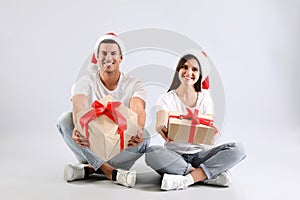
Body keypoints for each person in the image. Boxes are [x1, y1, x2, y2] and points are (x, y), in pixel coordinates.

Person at [56, 32, 149, 188]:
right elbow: (79, 105)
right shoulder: (85, 82)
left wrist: (138, 129)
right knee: (64, 119)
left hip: (119, 152)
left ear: (121, 57)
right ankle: (110, 172)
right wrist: (79, 128)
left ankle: (90, 169)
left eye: (113, 53)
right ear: (97, 57)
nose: (108, 58)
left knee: (145, 136)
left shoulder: (134, 84)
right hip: (90, 145)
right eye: (103, 53)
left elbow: (138, 108)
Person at [145, 49, 246, 190]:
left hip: (199, 155)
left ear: (200, 75)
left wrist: (211, 135)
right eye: (185, 67)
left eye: (194, 69)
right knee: (151, 153)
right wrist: (160, 126)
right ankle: (204, 176)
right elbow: (161, 119)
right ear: (178, 70)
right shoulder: (166, 98)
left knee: (238, 149)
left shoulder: (205, 98)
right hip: (174, 156)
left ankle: (185, 179)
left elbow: (209, 138)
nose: (189, 73)